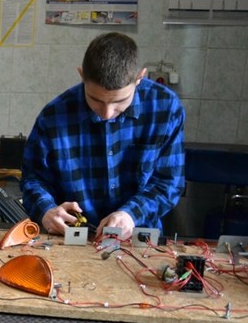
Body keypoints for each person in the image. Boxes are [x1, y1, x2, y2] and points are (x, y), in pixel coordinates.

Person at [20, 32, 185, 240]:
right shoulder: (53, 116)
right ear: (81, 75)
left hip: (137, 238)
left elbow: (168, 182)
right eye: (96, 100)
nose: (106, 113)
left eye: (119, 102)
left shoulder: (166, 108)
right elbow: (33, 179)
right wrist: (46, 210)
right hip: (71, 238)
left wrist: (131, 214)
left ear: (140, 78)